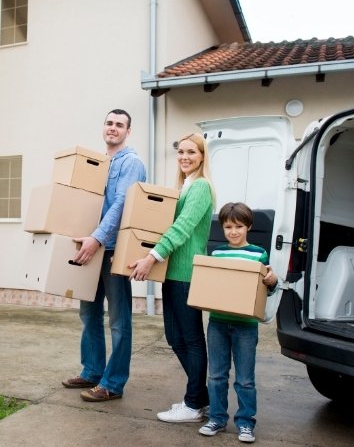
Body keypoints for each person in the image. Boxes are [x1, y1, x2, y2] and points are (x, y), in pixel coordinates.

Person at [128, 132, 215, 423]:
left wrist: (151, 256)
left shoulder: (201, 187)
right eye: (181, 152)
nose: (185, 157)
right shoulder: (185, 186)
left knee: (190, 339)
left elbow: (182, 228)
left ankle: (193, 404)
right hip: (172, 273)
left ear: (202, 156)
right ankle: (202, 397)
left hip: (186, 273)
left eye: (192, 152)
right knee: (174, 337)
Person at [61, 109, 147, 402]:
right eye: (109, 123)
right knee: (89, 313)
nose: (113, 128)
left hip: (113, 251)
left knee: (119, 320)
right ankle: (92, 371)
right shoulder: (102, 162)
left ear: (128, 132)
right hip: (92, 247)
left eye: (119, 125)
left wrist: (97, 239)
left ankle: (113, 383)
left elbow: (122, 203)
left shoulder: (131, 162)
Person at [198, 202, 278, 444]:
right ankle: (217, 418)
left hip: (245, 326)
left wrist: (272, 282)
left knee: (245, 378)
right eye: (228, 227)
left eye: (239, 226)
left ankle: (245, 423)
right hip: (218, 323)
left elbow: (266, 290)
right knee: (216, 376)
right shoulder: (217, 254)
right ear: (222, 228)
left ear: (249, 227)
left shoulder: (258, 254)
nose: (233, 231)